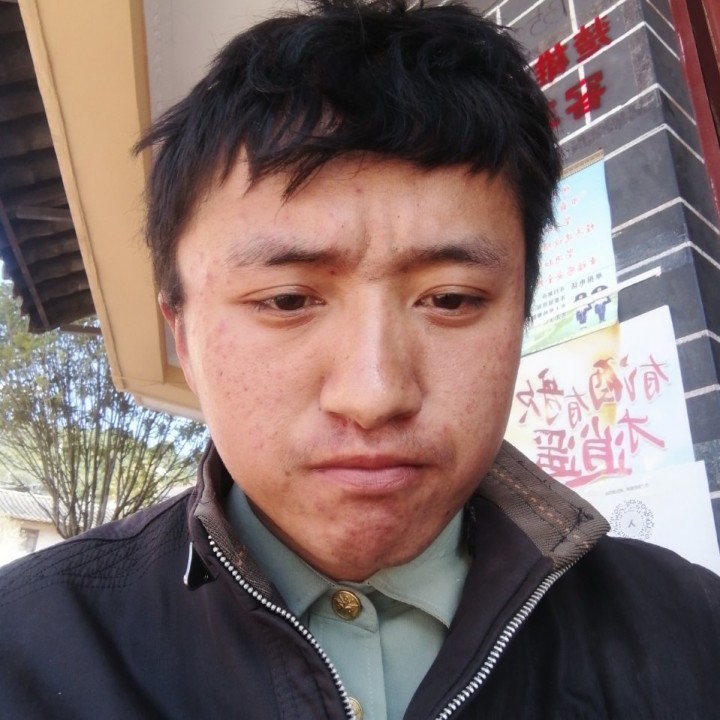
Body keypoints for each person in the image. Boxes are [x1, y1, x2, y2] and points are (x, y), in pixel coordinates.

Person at [1, 1, 718, 717]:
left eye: (451, 299)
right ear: (183, 337)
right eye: (287, 300)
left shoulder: (690, 633)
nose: (374, 395)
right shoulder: (28, 651)